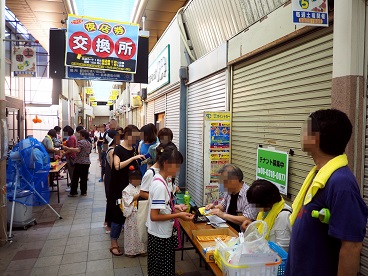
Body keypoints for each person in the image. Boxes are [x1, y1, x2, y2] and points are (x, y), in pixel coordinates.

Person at [285, 109, 368, 276]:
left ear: (315, 138)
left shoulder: (341, 183)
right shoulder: (319, 174)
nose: (300, 134)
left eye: (304, 129)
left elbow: (351, 246)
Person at [147, 143, 193, 275]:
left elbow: (163, 206)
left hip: (160, 234)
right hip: (159, 236)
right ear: (167, 164)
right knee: (162, 271)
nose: (178, 170)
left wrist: (176, 207)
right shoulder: (160, 185)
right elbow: (154, 216)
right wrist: (178, 215)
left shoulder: (162, 180)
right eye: (177, 166)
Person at [108, 125, 145, 256]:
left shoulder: (133, 149)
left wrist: (141, 161)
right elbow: (117, 166)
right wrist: (133, 158)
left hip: (131, 188)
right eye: (134, 138)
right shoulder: (118, 149)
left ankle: (134, 244)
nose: (135, 140)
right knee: (118, 215)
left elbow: (132, 167)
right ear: (127, 135)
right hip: (119, 187)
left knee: (131, 215)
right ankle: (114, 242)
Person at [242, 179, 292, 251]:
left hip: (275, 259)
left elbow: (283, 249)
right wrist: (252, 226)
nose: (256, 208)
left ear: (266, 202)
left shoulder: (283, 216)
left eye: (257, 205)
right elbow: (261, 234)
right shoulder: (265, 211)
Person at [205, 164, 257, 232]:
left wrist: (223, 215)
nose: (222, 184)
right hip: (227, 227)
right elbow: (223, 205)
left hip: (241, 234)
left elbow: (247, 220)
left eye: (224, 181)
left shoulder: (249, 194)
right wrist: (214, 207)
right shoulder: (229, 190)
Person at [122, 167, 147, 257]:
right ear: (130, 180)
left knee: (141, 231)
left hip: (141, 212)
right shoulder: (126, 190)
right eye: (135, 179)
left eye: (139, 179)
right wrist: (138, 195)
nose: (137, 181)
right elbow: (127, 201)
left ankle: (142, 250)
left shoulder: (142, 188)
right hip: (132, 213)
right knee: (132, 232)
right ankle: (131, 251)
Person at [63, 129, 92, 197]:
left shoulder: (81, 142)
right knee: (84, 178)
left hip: (79, 162)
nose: (78, 135)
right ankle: (83, 191)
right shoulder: (89, 142)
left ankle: (73, 192)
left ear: (83, 135)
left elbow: (77, 150)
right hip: (87, 162)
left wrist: (68, 148)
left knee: (75, 178)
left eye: (79, 134)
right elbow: (89, 151)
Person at [103, 129, 118, 234]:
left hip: (109, 178)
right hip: (111, 179)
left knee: (110, 200)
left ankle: (107, 222)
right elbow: (114, 167)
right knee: (111, 200)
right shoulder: (112, 151)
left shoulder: (110, 149)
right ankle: (109, 224)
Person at [62, 125, 77, 192]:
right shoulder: (73, 137)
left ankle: (73, 187)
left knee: (72, 173)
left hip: (71, 157)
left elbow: (70, 149)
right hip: (72, 156)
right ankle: (73, 185)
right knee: (72, 173)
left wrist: (63, 153)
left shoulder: (71, 138)